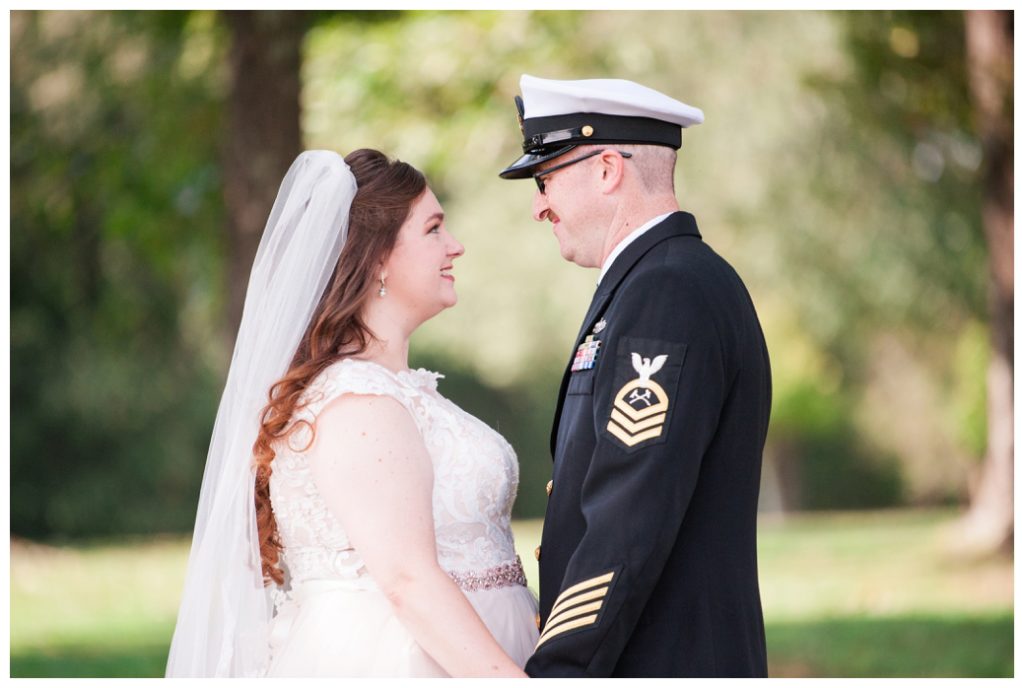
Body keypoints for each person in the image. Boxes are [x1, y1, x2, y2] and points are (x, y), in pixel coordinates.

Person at [166, 149, 536, 677]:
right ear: (377, 257)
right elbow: (407, 579)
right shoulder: (355, 402)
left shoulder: (397, 391)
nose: (455, 246)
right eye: (433, 229)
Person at [498, 74, 772, 677]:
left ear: (606, 170)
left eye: (546, 179)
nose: (540, 205)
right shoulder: (659, 280)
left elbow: (630, 512)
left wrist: (562, 669)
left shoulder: (666, 290)